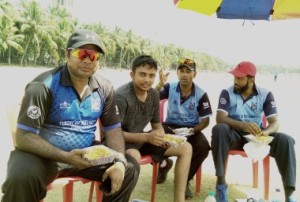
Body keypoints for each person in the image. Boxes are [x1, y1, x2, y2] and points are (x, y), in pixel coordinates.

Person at [1, 29, 140, 202]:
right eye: (82, 53)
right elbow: (24, 136)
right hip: (43, 156)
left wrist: (119, 161)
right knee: (21, 177)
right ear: (67, 54)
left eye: (94, 55)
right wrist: (66, 157)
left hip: (86, 156)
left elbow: (113, 130)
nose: (88, 59)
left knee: (128, 168)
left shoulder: (104, 88)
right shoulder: (43, 85)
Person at [211, 61, 297, 202]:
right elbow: (220, 117)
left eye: (240, 78)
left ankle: (289, 195)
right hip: (234, 136)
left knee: (286, 140)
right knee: (219, 129)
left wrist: (266, 132)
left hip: (257, 139)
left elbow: (275, 122)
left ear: (251, 79)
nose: (236, 81)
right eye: (235, 78)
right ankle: (221, 184)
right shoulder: (227, 92)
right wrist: (243, 125)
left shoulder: (265, 94)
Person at [115, 55, 192, 202]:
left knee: (186, 147)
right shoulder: (122, 96)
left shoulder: (153, 95)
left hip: (142, 140)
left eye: (151, 76)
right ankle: (123, 199)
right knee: (133, 155)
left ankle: (179, 200)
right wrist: (147, 137)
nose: (147, 80)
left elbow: (156, 125)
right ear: (132, 75)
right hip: (120, 143)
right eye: (142, 74)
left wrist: (161, 137)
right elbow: (113, 133)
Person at [156, 58, 212, 199]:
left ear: (195, 74)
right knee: (155, 137)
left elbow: (206, 120)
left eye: (188, 71)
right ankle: (163, 165)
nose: (184, 74)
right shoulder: (169, 87)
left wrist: (194, 130)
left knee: (203, 147)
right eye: (181, 70)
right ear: (177, 72)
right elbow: (151, 98)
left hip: (191, 129)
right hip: (170, 126)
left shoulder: (201, 94)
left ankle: (185, 179)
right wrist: (159, 85)